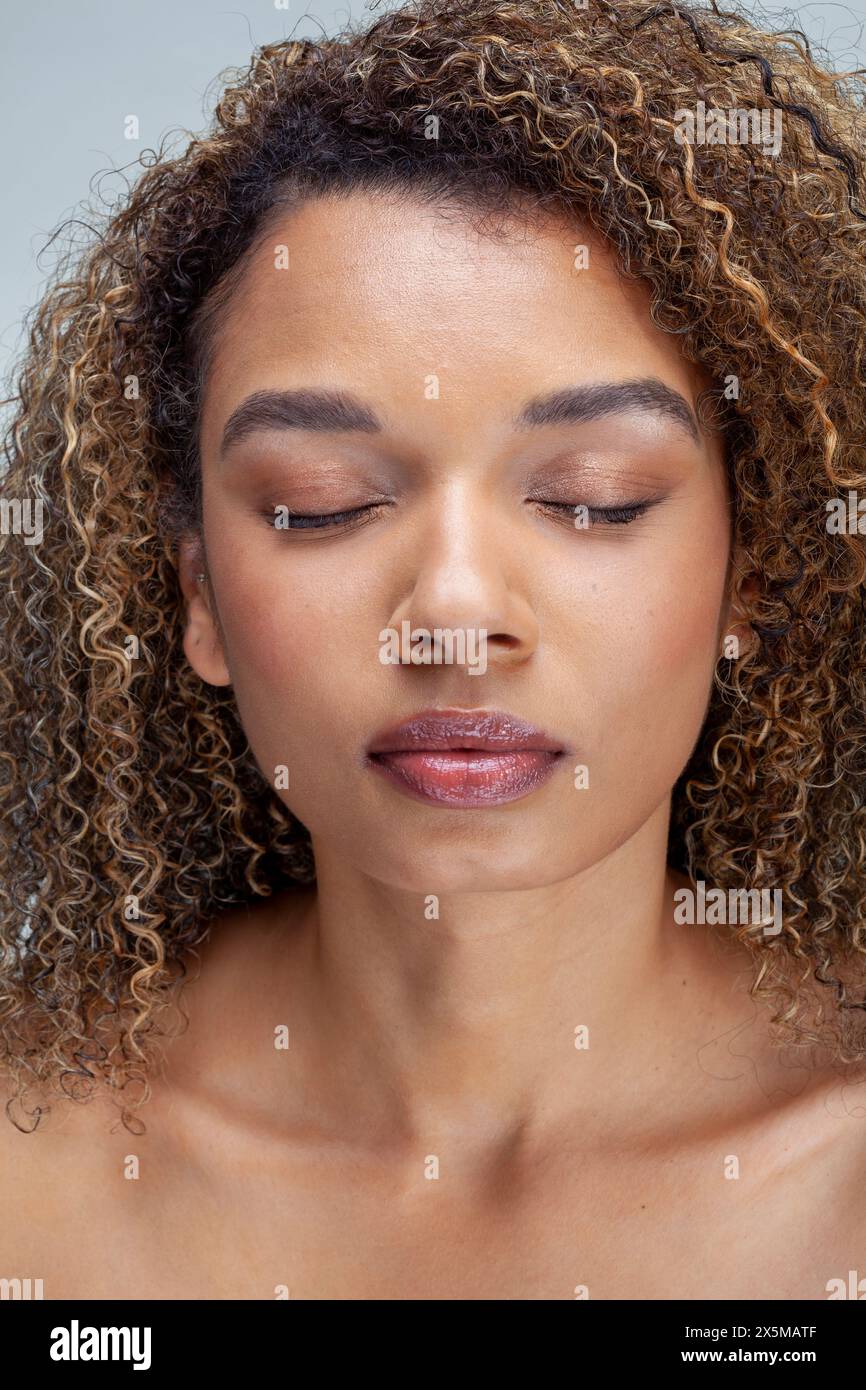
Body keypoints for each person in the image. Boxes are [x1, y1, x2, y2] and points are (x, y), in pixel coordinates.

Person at [1, 0, 865, 1300]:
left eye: (592, 495)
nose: (455, 615)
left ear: (752, 569)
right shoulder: (31, 1166)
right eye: (324, 501)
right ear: (194, 592)